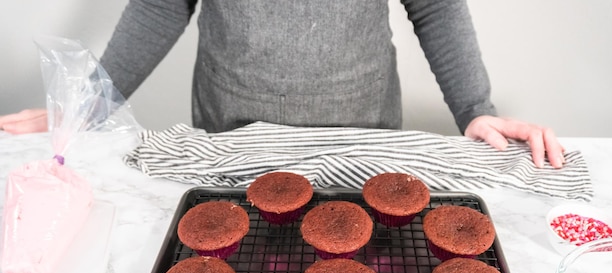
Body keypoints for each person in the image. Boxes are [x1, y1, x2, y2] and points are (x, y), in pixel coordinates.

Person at [0, 0, 564, 168]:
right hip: (232, 135)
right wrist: (87, 104)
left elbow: (436, 6)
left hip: (360, 135)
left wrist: (474, 107)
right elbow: (160, 5)